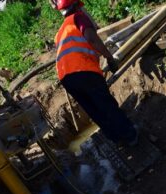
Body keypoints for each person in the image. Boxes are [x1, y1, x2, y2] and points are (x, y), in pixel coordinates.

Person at [54, 0, 138, 146]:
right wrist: (109, 57)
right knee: (106, 105)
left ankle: (117, 139)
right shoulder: (78, 18)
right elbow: (92, 38)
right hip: (83, 71)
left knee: (95, 111)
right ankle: (129, 136)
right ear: (76, 6)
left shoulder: (60, 32)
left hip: (67, 79)